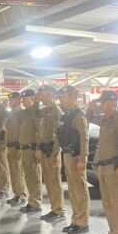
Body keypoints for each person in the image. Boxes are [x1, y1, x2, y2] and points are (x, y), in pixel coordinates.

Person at [87, 91, 118, 234]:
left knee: (117, 203)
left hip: (115, 166)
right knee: (107, 202)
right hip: (104, 166)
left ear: (112, 103)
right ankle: (112, 232)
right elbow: (89, 118)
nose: (101, 106)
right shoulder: (105, 119)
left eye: (103, 102)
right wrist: (91, 107)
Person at [56, 85, 90, 234]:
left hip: (76, 156)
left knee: (80, 190)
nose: (62, 100)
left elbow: (84, 138)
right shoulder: (67, 115)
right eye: (61, 98)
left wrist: (83, 159)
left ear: (72, 97)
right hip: (67, 154)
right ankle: (76, 220)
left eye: (64, 97)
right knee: (73, 190)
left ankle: (82, 222)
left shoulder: (78, 115)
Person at [35, 85, 66, 223]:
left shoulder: (56, 111)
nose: (41, 97)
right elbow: (35, 118)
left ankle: (59, 210)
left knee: (55, 182)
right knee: (48, 181)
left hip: (52, 150)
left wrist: (55, 154)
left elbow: (58, 135)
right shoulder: (45, 110)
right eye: (40, 95)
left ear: (50, 95)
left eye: (43, 95)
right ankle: (54, 208)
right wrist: (38, 148)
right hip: (44, 149)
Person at [18, 89, 42, 214]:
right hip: (24, 149)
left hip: (32, 149)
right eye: (22, 99)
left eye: (25, 99)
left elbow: (39, 132)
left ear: (32, 99)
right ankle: (31, 201)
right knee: (28, 177)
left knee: (35, 177)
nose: (23, 101)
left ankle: (36, 203)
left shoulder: (36, 113)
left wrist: (38, 148)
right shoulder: (25, 113)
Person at [4, 91, 27, 206]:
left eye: (12, 100)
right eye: (9, 100)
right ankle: (16, 194)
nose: (10, 102)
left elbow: (24, 130)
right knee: (13, 171)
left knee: (18, 172)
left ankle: (21, 195)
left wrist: (21, 144)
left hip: (18, 146)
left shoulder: (22, 113)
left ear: (19, 100)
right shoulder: (11, 114)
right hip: (10, 146)